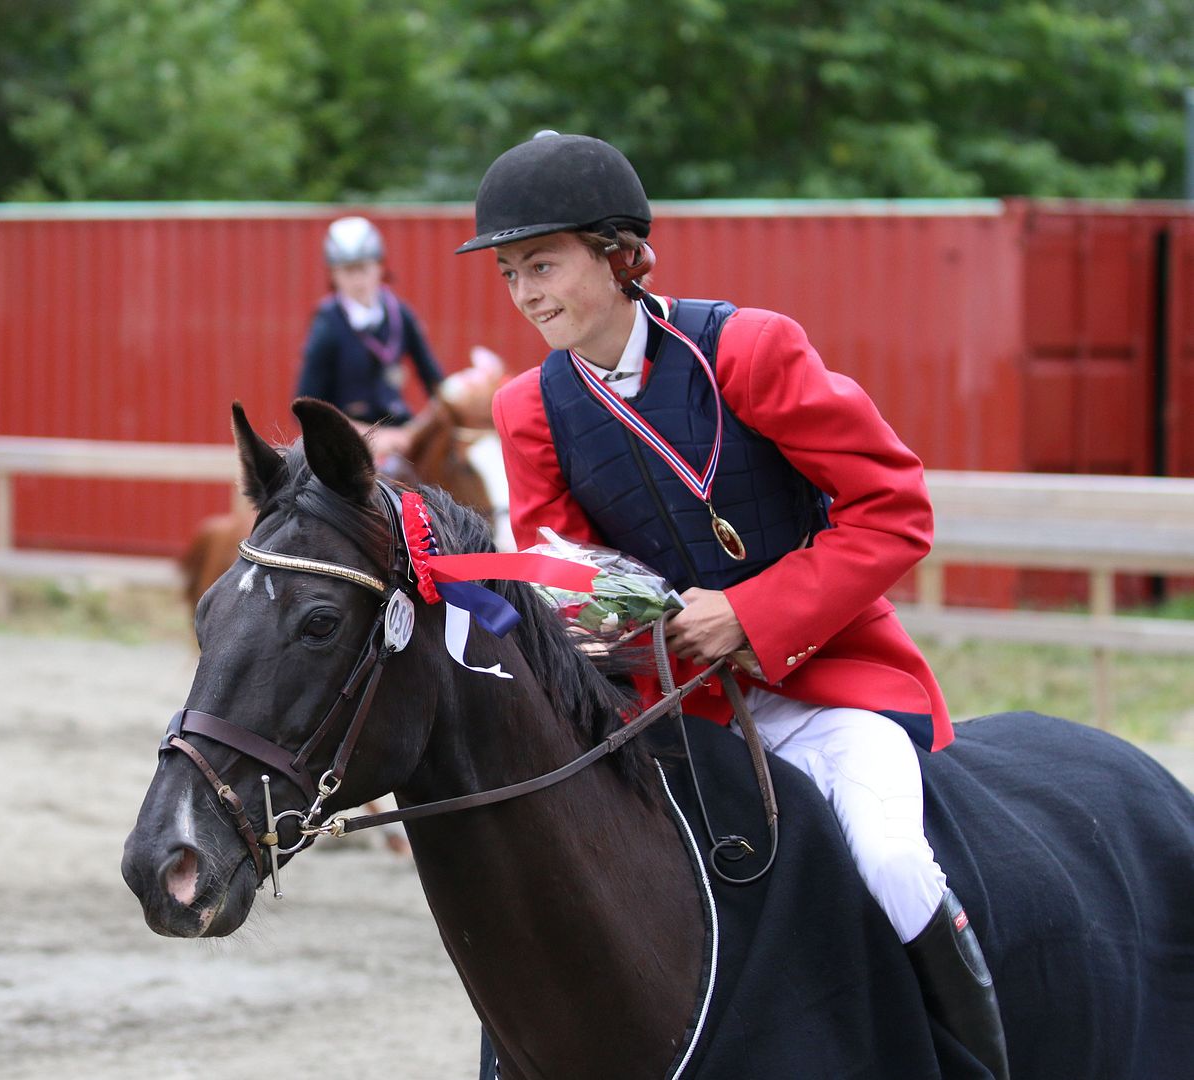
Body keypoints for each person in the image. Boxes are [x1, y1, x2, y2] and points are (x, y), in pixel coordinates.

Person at [461, 132, 1010, 1079]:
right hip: (675, 719)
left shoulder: (750, 350)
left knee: (888, 859)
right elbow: (561, 576)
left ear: (622, 256)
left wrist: (747, 615)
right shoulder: (528, 409)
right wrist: (584, 621)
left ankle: (972, 1060)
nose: (526, 293)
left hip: (830, 691)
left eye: (543, 264)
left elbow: (894, 509)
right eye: (511, 273)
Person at [297, 216, 445, 459]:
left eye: (363, 268)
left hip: (401, 433)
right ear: (333, 274)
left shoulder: (400, 314)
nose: (357, 280)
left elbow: (436, 385)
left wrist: (417, 430)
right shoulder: (326, 324)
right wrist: (369, 435)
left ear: (379, 266)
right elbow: (305, 406)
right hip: (350, 442)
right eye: (347, 271)